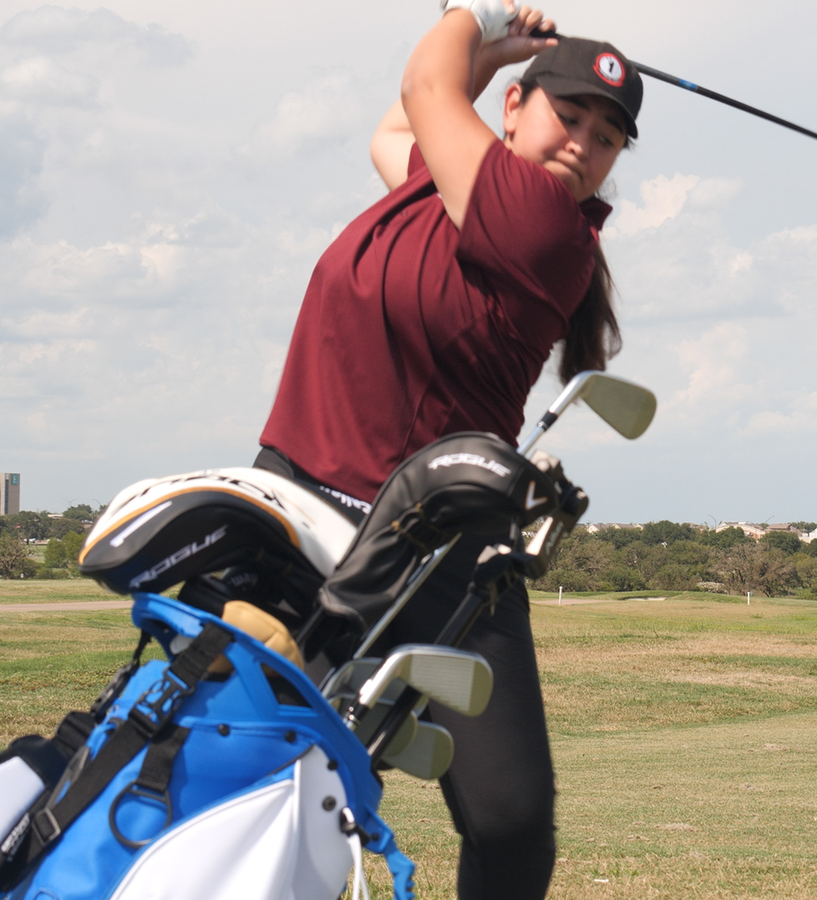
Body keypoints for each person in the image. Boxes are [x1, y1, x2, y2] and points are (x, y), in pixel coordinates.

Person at [254, 1, 644, 896]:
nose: (585, 143)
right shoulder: (442, 188)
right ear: (512, 108)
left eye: (608, 137)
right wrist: (497, 49)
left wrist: (476, 18)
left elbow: (426, 84)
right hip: (301, 507)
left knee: (508, 820)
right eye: (569, 115)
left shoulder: (541, 224)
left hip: (435, 547)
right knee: (253, 771)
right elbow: (401, 124)